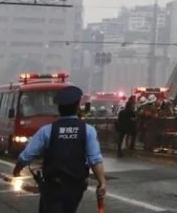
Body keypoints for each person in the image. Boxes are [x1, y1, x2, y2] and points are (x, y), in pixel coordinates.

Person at [12, 85, 107, 213]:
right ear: (78, 105)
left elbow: (27, 155)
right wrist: (101, 182)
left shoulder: (47, 130)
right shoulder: (88, 130)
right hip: (76, 187)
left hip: (53, 187)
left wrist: (17, 170)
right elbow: (94, 159)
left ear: (58, 108)